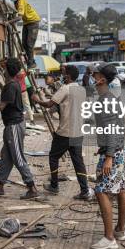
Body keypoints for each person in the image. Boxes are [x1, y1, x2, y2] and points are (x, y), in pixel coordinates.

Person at [0, 58, 39, 199]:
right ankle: (0, 186)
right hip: (12, 126)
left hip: (14, 126)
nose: (2, 71)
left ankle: (32, 187)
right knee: (6, 157)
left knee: (17, 157)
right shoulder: (12, 84)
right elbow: (4, 90)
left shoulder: (11, 86)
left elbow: (1, 106)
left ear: (8, 71)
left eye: (4, 69)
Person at [32, 65, 92, 200]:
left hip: (65, 132)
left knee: (53, 157)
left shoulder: (65, 88)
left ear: (68, 76)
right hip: (78, 131)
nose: (62, 75)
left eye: (64, 73)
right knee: (78, 162)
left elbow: (49, 104)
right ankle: (84, 190)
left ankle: (54, 185)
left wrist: (36, 100)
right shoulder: (81, 89)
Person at [89, 64, 125, 249]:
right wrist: (104, 148)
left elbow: (113, 129)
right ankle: (120, 230)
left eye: (94, 74)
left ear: (102, 79)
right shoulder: (109, 98)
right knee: (120, 188)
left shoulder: (106, 100)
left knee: (101, 191)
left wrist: (109, 156)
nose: (91, 76)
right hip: (115, 150)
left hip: (113, 153)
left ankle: (109, 238)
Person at [10, 0, 40, 67]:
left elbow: (19, 17)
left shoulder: (20, 1)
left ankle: (31, 63)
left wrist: (8, 22)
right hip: (26, 22)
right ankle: (30, 60)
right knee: (23, 44)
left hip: (33, 21)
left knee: (29, 44)